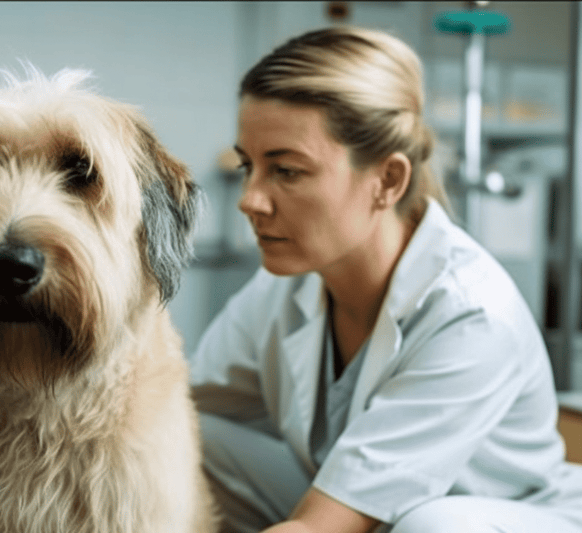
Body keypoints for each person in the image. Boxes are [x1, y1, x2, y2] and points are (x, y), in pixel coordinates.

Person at [189, 26, 582, 533]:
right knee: (181, 436)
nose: (250, 199)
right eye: (249, 166)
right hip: (358, 515)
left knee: (435, 525)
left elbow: (319, 526)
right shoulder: (287, 284)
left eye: (285, 171)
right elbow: (177, 399)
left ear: (388, 181)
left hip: (505, 518)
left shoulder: (471, 314)